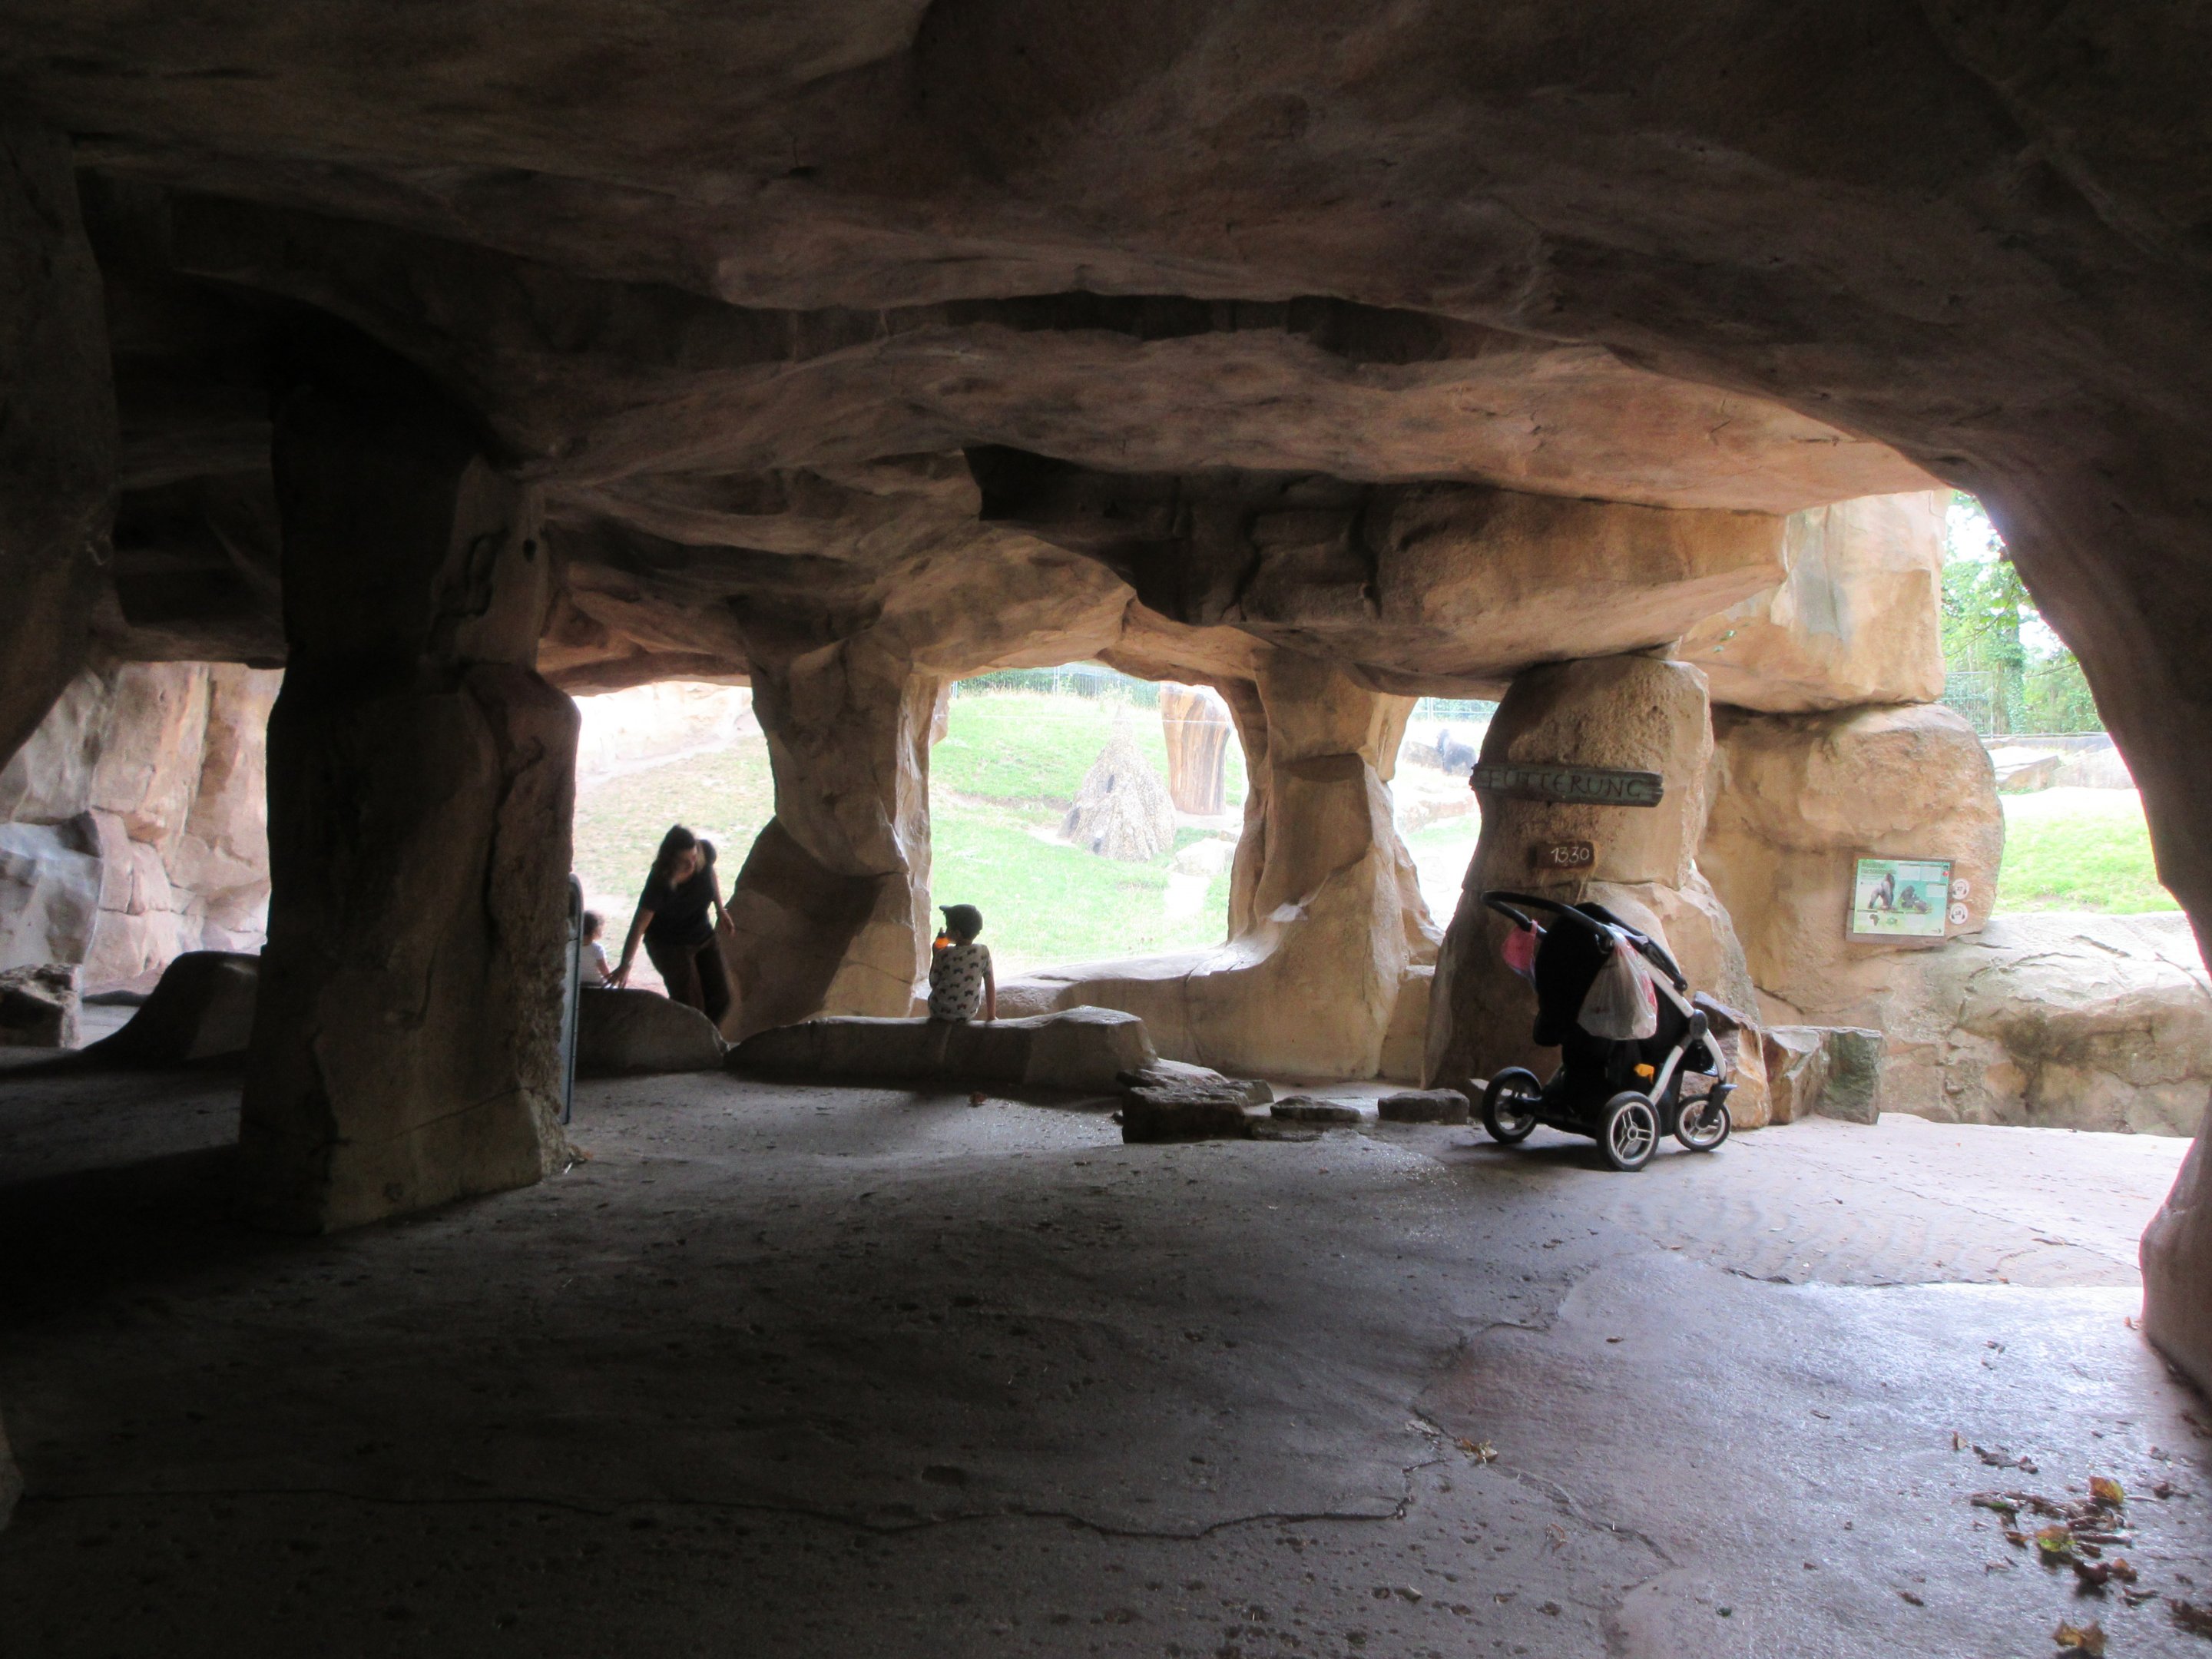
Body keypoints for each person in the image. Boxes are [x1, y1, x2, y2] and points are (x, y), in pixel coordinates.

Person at [611, 825, 731, 1025]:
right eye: (684, 861)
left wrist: (720, 909)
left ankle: (709, 1043)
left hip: (702, 935)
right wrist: (626, 964)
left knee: (721, 998)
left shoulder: (703, 853)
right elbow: (639, 924)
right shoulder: (660, 882)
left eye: (694, 857)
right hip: (669, 945)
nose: (692, 864)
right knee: (691, 1008)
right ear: (670, 860)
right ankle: (693, 1046)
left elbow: (710, 872)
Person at [928, 903, 995, 1025]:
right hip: (967, 1014)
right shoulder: (983, 952)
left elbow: (933, 982)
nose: (946, 930)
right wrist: (991, 1016)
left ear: (957, 934)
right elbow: (990, 983)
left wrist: (936, 955)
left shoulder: (944, 954)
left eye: (948, 927)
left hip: (939, 1014)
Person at [580, 910, 612, 986]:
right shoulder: (597, 949)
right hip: (595, 983)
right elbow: (604, 970)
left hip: (578, 982)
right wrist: (610, 980)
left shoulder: (573, 947)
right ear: (596, 931)